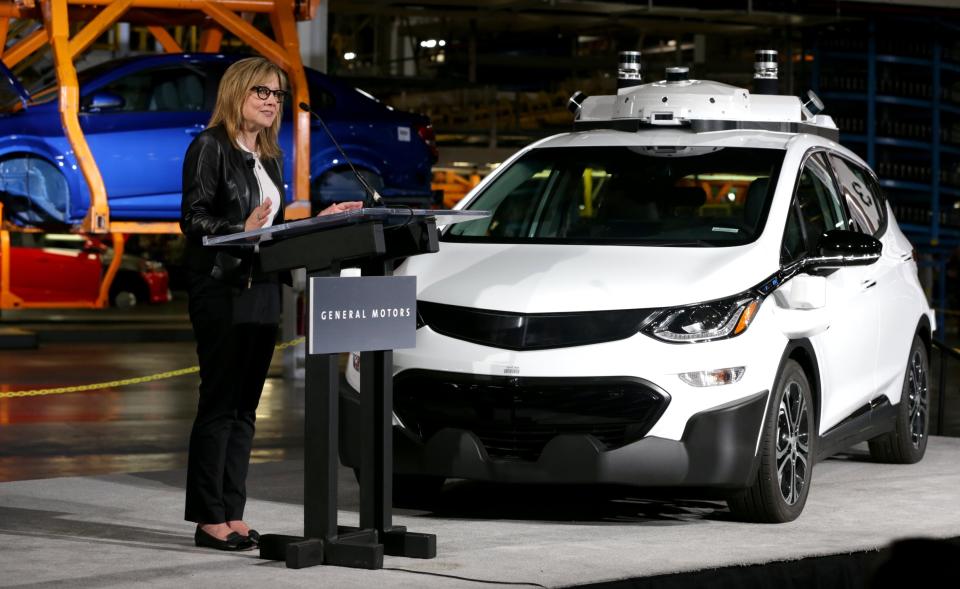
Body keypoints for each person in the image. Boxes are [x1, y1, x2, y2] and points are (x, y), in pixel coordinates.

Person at [180, 56, 362, 551]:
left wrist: (319, 220)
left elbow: (272, 230)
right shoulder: (208, 147)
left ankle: (233, 512)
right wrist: (238, 229)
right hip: (220, 288)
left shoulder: (270, 157)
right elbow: (193, 222)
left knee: (245, 408)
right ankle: (207, 517)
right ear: (237, 91)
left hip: (262, 288)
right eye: (261, 91)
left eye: (277, 94)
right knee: (220, 404)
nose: (270, 100)